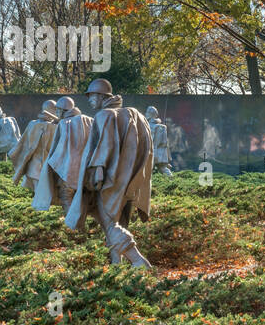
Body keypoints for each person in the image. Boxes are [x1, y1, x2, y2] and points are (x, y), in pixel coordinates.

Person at [64, 78, 154, 267]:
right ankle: (116, 263)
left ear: (101, 95)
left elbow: (104, 147)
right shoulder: (135, 115)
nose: (89, 100)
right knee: (118, 221)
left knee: (109, 222)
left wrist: (97, 173)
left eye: (92, 96)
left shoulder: (104, 116)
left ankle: (139, 261)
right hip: (130, 182)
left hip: (109, 181)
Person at [35, 96, 94, 214]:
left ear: (63, 111)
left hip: (69, 169)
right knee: (85, 196)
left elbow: (57, 150)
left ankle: (72, 223)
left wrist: (52, 167)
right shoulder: (89, 120)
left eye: (57, 110)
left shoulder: (64, 124)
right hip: (89, 168)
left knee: (65, 195)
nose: (56, 113)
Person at [8, 100, 60, 194]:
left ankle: (38, 205)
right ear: (54, 111)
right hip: (46, 165)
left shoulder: (33, 124)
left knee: (39, 190)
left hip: (33, 164)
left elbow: (22, 143)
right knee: (43, 191)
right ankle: (39, 206)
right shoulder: (55, 127)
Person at [145, 106, 173, 176]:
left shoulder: (146, 126)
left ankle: (146, 186)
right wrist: (168, 158)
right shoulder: (163, 127)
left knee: (147, 171)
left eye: (147, 112)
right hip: (160, 153)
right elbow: (165, 143)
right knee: (163, 169)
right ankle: (172, 181)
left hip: (150, 152)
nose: (145, 114)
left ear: (150, 114)